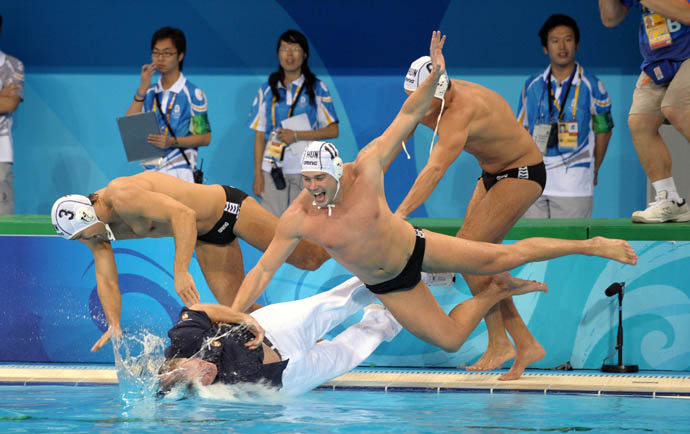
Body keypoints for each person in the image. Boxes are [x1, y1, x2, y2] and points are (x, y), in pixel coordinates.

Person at [229, 32, 638, 380]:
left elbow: (427, 155)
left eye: (320, 179)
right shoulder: (298, 216)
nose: (313, 188)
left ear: (339, 171)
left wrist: (400, 213)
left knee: (497, 256)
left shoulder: (376, 162)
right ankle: (505, 320)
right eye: (308, 181)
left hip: (487, 196)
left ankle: (590, 246)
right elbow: (263, 268)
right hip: (397, 276)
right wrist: (231, 314)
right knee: (452, 336)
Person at [394, 33, 550, 379]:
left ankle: (511, 342)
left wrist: (400, 215)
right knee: (476, 259)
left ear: (438, 93)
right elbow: (403, 124)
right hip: (492, 174)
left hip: (522, 173)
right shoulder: (437, 96)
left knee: (466, 250)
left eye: (420, 101)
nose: (416, 107)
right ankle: (513, 342)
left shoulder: (459, 114)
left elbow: (434, 171)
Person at [50, 172, 330, 352]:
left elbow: (183, 215)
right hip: (208, 237)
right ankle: (310, 339)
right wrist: (114, 323)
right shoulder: (95, 233)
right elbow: (107, 279)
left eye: (80, 235)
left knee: (311, 259)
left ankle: (349, 239)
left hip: (229, 210)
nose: (82, 241)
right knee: (238, 308)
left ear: (87, 216)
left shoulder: (121, 195)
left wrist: (181, 270)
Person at [158, 277, 401, 396]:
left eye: (199, 365)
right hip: (289, 379)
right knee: (354, 350)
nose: (207, 370)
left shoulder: (185, 341)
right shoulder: (210, 401)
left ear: (185, 359)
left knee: (339, 300)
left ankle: (402, 270)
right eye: (203, 379)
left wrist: (242, 318)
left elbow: (201, 310)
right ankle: (394, 313)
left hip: (275, 330)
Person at [599, 0, 690, 223]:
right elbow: (610, 18)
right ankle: (669, 199)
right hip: (658, 62)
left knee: (676, 108)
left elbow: (685, 14)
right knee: (640, 122)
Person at [519, 14, 614, 219]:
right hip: (534, 183)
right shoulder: (531, 85)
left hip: (574, 185)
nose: (562, 46)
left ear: (577, 45)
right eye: (555, 40)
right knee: (533, 240)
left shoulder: (593, 86)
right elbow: (522, 130)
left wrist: (594, 168)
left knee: (570, 241)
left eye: (568, 39)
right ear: (545, 48)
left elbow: (604, 130)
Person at [249, 30, 339, 216]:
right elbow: (259, 135)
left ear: (304, 54)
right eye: (284, 49)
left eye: (295, 49)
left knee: (307, 223)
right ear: (277, 54)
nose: (289, 55)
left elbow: (333, 130)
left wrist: (297, 136)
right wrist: (258, 174)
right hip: (272, 169)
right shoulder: (267, 90)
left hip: (308, 169)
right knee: (271, 225)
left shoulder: (317, 88)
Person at [126, 26, 210, 183]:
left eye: (167, 53)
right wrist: (142, 89)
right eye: (156, 53)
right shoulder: (149, 92)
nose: (160, 58)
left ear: (180, 56)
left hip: (180, 171)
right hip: (150, 171)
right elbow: (129, 126)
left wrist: (172, 142)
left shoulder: (192, 93)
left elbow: (204, 137)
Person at [0, 13, 24, 214]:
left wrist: (5, 99)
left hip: (1, 153)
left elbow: (9, 104)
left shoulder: (12, 65)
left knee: (2, 218)